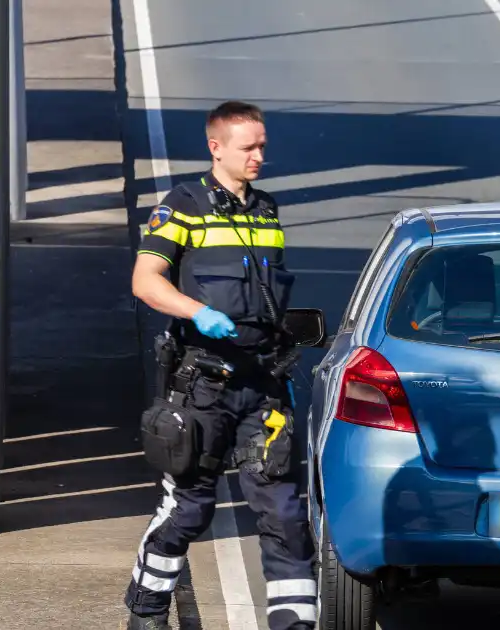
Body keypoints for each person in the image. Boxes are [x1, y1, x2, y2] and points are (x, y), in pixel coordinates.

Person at [124, 100, 316, 630]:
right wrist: (198, 312)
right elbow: (146, 282)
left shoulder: (266, 209)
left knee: (284, 513)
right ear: (216, 147)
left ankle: (293, 623)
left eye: (262, 147)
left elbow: (267, 297)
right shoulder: (181, 205)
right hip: (204, 384)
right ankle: (147, 608)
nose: (259, 156)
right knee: (189, 509)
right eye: (248, 147)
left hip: (263, 386)